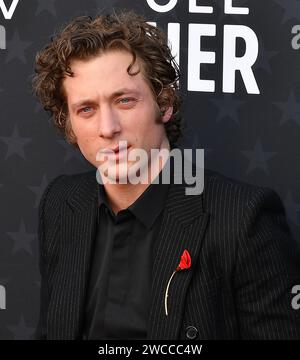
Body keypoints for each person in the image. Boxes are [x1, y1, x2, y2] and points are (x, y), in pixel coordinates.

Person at [33, 10, 300, 340]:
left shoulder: (242, 218)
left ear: (165, 103)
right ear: (69, 125)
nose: (108, 128)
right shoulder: (61, 203)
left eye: (125, 100)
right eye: (86, 109)